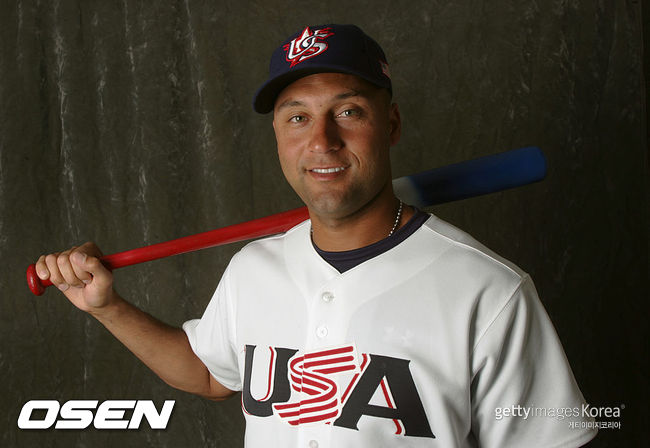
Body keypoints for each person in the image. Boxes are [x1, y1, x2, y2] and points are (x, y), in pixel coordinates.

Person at [35, 24, 597, 447]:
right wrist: (107, 308)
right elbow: (210, 373)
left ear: (391, 125)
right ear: (279, 136)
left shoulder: (489, 291)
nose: (322, 141)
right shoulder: (254, 268)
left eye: (348, 111)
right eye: (297, 117)